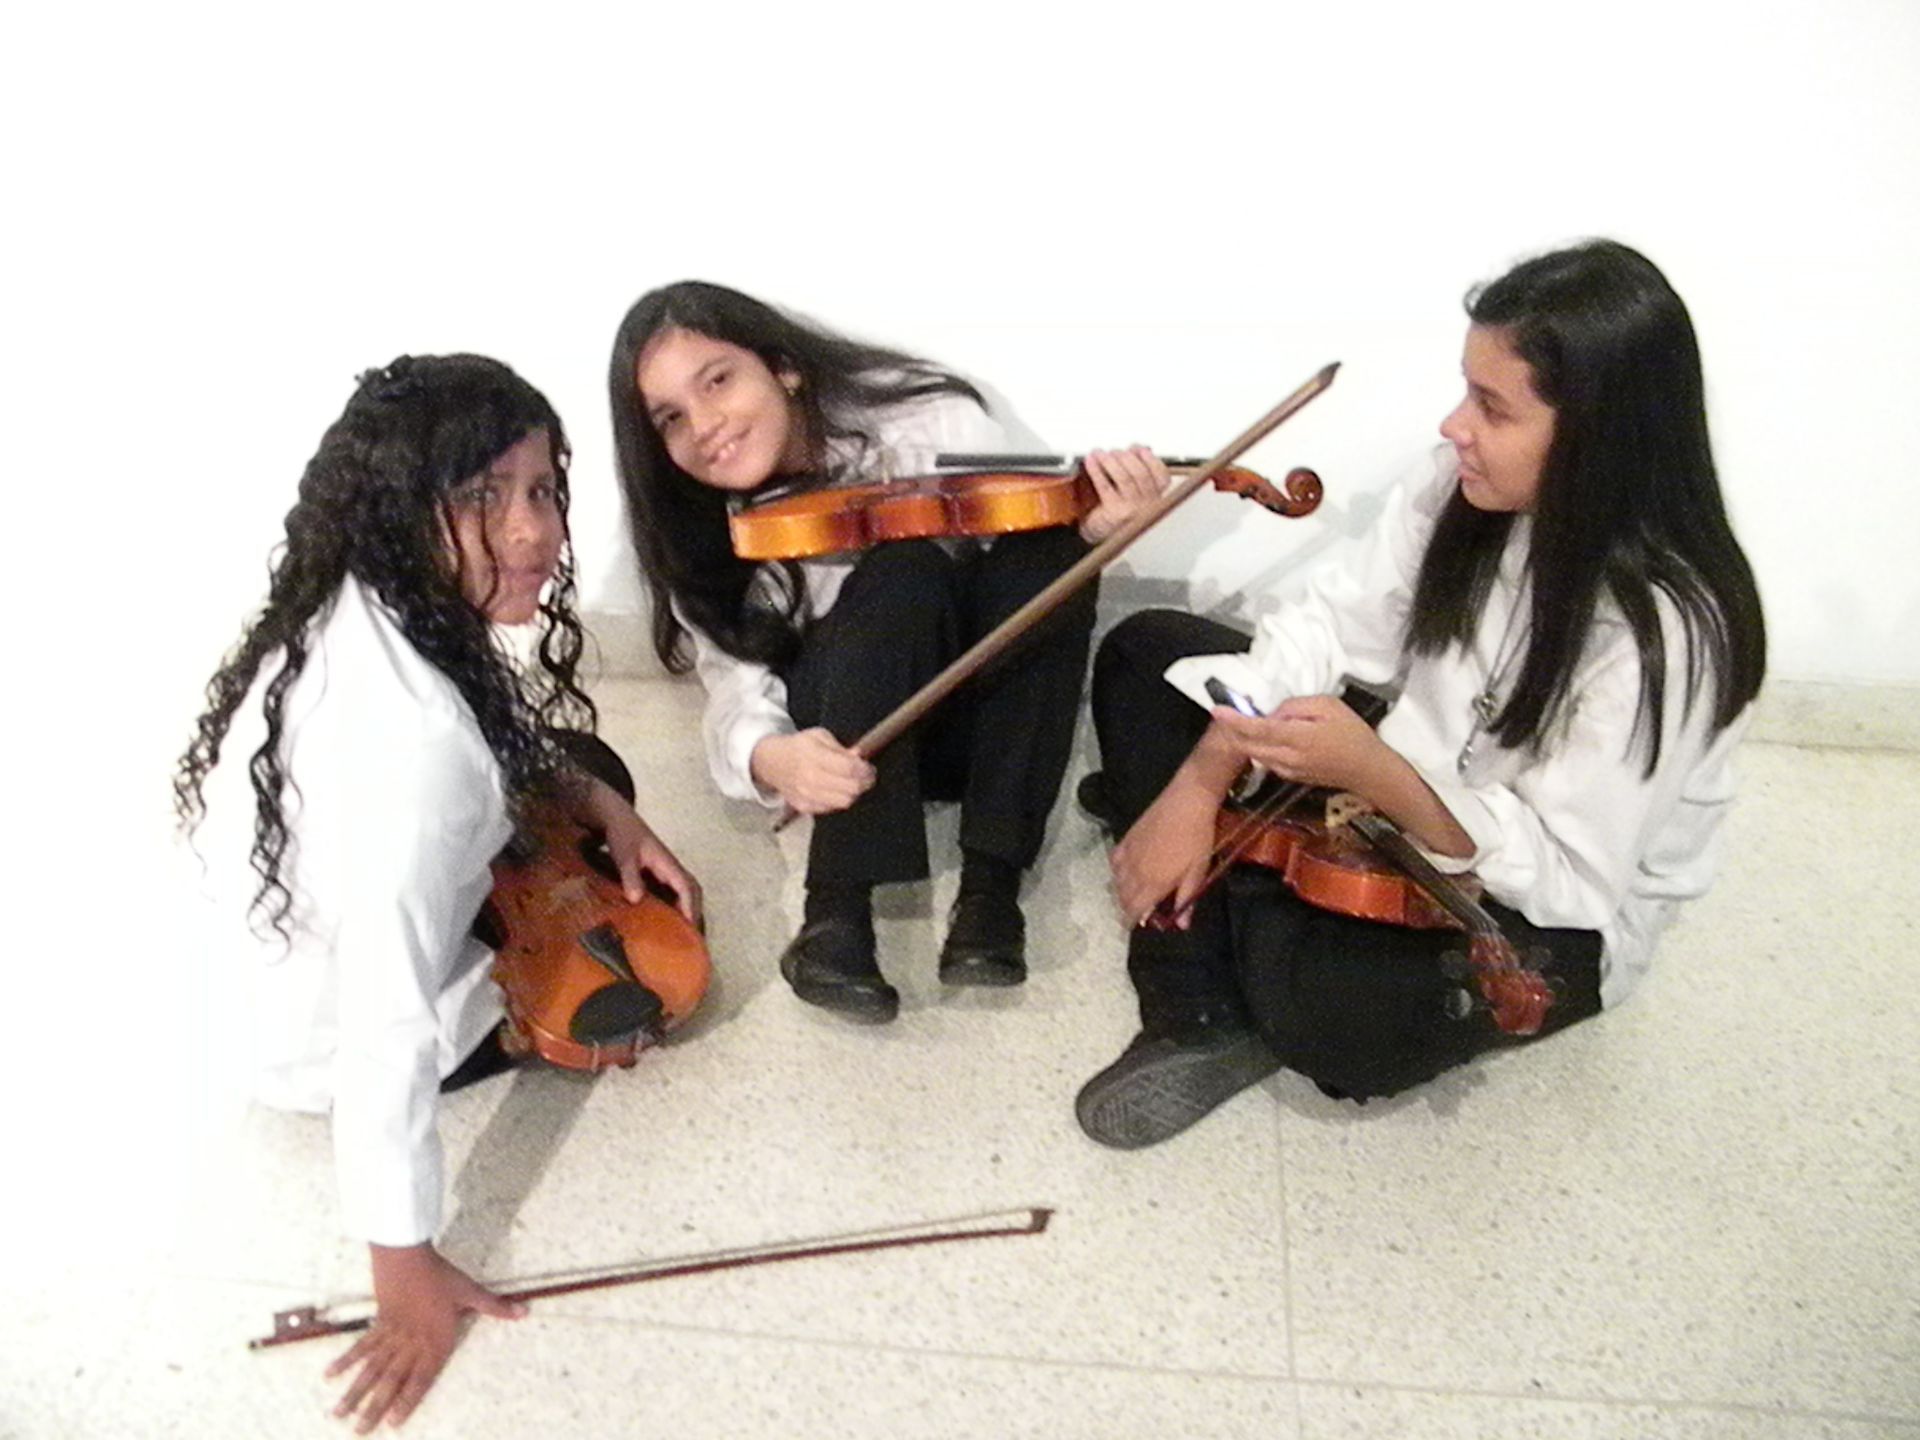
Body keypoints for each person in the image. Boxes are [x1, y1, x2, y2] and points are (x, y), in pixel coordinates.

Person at [1073, 239, 1767, 1146]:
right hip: (1387, 786)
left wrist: (1375, 775)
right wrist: (1201, 781)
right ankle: (1211, 955)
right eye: (1464, 390)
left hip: (1532, 897)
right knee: (1144, 652)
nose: (1453, 426)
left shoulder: (1668, 634)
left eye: (1492, 407)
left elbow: (1573, 881)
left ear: (1597, 435)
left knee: (1339, 1013)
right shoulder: (1462, 487)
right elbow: (1331, 625)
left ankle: (1201, 972)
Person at [175, 354, 703, 1430]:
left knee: (585, 766)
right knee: (650, 965)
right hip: (328, 1046)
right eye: (482, 497)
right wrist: (404, 1269)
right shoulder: (412, 761)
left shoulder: (361, 600)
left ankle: (589, 819)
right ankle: (526, 1016)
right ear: (398, 507)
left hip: (285, 969)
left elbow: (502, 753)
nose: (534, 533)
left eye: (545, 491)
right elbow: (386, 1029)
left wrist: (610, 812)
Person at [609, 281, 1168, 1021]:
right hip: (850, 738)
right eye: (671, 419)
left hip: (980, 720)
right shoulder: (706, 534)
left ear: (784, 368)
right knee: (901, 568)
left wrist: (1101, 530)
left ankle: (991, 892)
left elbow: (1026, 564)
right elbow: (734, 691)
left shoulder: (928, 418)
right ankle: (834, 917)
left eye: (718, 381)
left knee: (1052, 555)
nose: (705, 425)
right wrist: (771, 759)